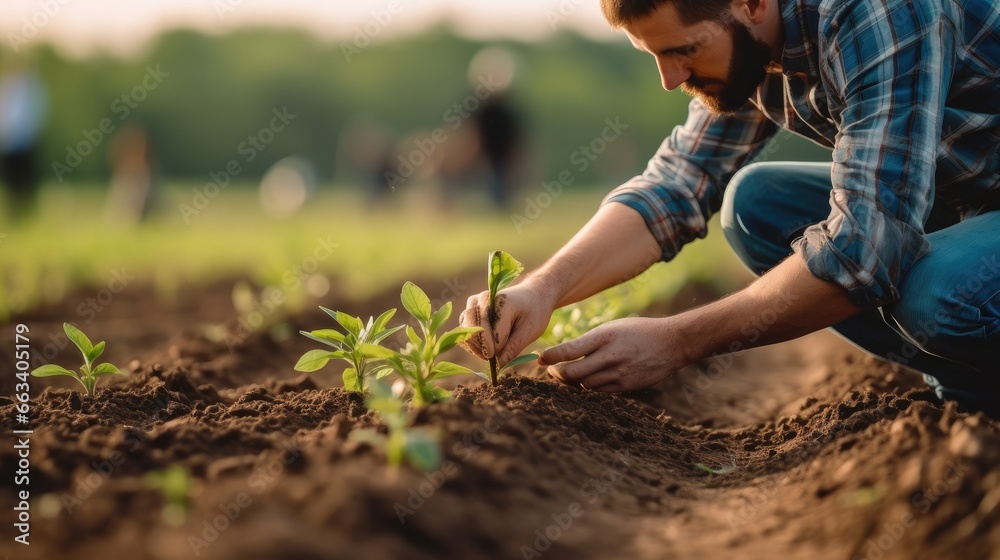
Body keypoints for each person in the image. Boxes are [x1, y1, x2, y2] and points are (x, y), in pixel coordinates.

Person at [459, 0, 1000, 417]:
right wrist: (543, 289)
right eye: (655, 55)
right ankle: (972, 385)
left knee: (939, 293)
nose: (670, 79)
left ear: (754, 3)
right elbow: (679, 182)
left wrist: (677, 340)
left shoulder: (878, 13)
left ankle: (977, 392)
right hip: (969, 201)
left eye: (683, 50)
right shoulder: (753, 43)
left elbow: (866, 250)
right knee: (756, 206)